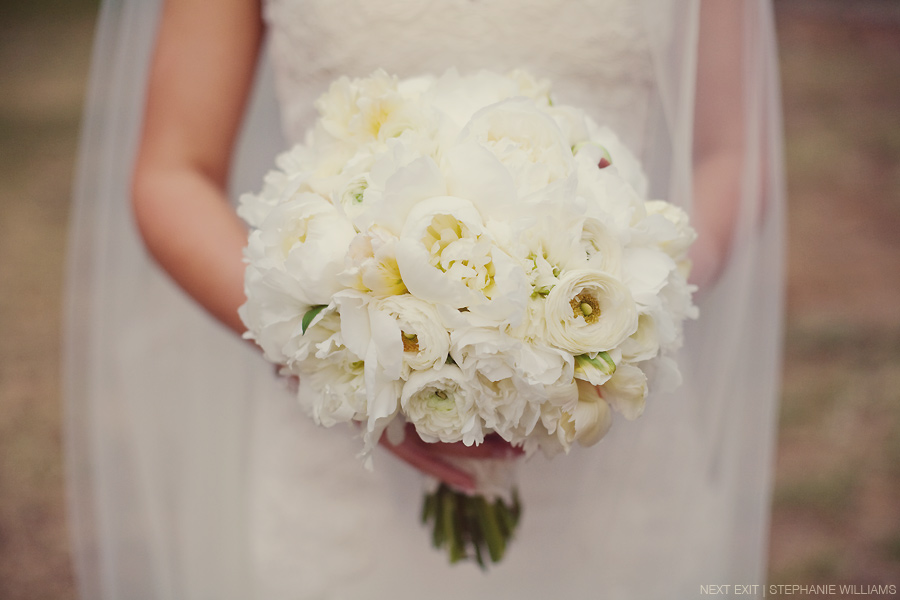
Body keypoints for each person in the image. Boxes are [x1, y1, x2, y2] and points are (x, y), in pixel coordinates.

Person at [65, 0, 785, 598]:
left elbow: (734, 153)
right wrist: (329, 355)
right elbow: (172, 171)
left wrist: (632, 298)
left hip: (607, 424)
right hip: (341, 454)